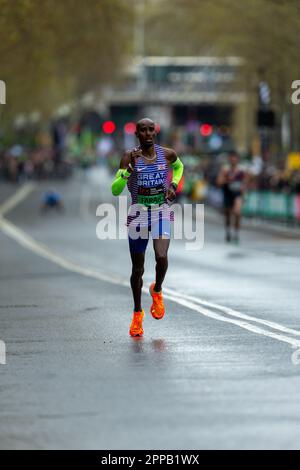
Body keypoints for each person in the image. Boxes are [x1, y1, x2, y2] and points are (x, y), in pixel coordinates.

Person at [111, 118, 184, 337]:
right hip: (139, 216)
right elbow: (115, 190)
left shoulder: (167, 154)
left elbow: (179, 167)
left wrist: (173, 185)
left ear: (155, 132)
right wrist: (128, 171)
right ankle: (137, 314)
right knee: (138, 269)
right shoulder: (128, 157)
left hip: (161, 211)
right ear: (137, 134)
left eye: (151, 129)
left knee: (161, 257)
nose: (148, 133)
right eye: (143, 130)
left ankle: (157, 290)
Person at [217, 151, 246, 243]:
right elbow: (219, 182)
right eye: (231, 158)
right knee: (228, 215)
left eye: (235, 158)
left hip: (237, 194)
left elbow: (246, 182)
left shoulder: (242, 170)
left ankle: (236, 233)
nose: (233, 160)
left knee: (237, 213)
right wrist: (227, 180)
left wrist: (243, 187)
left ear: (237, 159)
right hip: (227, 193)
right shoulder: (225, 170)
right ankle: (228, 231)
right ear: (229, 159)